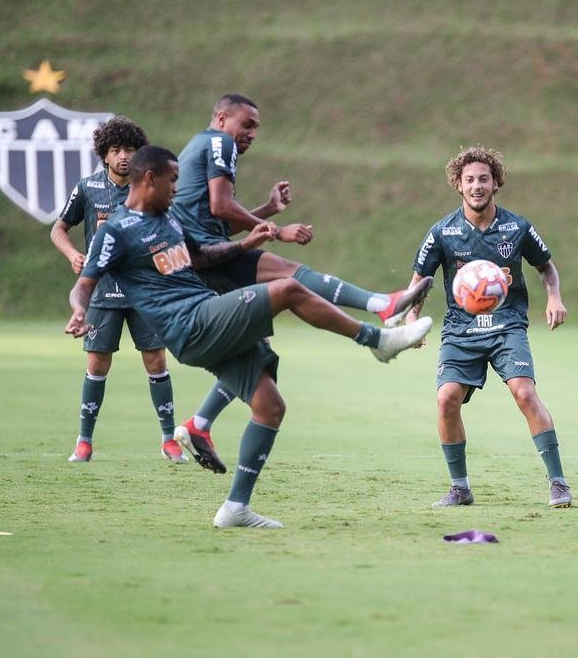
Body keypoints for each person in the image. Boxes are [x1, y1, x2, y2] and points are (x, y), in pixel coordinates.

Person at [66, 145, 432, 528]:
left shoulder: (169, 219)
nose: (177, 187)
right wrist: (79, 310)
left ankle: (235, 508)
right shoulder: (116, 231)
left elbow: (204, 257)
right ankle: (378, 341)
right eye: (172, 180)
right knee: (287, 289)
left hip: (205, 314)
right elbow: (85, 284)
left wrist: (247, 243)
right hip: (188, 323)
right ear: (149, 179)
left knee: (270, 407)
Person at [170, 94, 432, 465]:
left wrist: (267, 211)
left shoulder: (202, 145)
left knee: (255, 347)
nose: (253, 134)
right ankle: (381, 310)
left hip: (202, 255)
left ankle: (199, 424)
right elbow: (220, 206)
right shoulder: (219, 143)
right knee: (289, 276)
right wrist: (275, 229)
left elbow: (216, 219)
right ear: (222, 118)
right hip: (204, 259)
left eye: (257, 127)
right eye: (247, 124)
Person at [402, 146, 571, 508]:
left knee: (525, 393)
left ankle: (558, 483)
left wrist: (554, 297)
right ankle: (460, 488)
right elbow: (420, 279)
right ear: (458, 186)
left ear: (496, 183)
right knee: (446, 399)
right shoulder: (442, 232)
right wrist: (412, 317)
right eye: (469, 180)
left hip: (507, 326)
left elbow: (546, 266)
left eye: (483, 179)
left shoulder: (517, 226)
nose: (476, 186)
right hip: (461, 330)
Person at [50, 116, 184, 463]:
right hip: (103, 291)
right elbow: (58, 229)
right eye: (115, 150)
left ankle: (169, 440)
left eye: (130, 149)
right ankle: (84, 441)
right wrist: (73, 254)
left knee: (156, 360)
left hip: (145, 292)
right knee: (97, 363)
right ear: (104, 155)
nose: (123, 156)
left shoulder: (149, 189)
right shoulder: (89, 188)